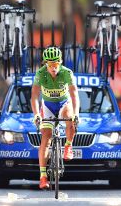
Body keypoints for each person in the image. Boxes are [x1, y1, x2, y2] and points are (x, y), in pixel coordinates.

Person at [31, 46, 80, 189]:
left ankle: (68, 146)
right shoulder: (40, 74)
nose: (53, 68)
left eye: (56, 64)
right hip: (47, 106)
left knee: (70, 118)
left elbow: (74, 94)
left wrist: (76, 113)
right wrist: (36, 115)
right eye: (50, 65)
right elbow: (34, 96)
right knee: (46, 137)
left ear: (61, 62)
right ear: (45, 64)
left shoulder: (67, 73)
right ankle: (43, 177)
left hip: (64, 103)